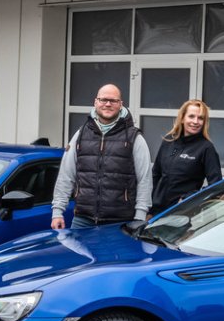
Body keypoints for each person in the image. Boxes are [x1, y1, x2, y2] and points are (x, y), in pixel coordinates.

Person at [51, 84, 152, 229]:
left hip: (120, 222)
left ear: (121, 104)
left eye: (113, 101)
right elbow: (66, 175)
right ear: (95, 102)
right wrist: (57, 212)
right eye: (103, 100)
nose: (108, 104)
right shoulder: (81, 134)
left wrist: (139, 217)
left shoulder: (134, 137)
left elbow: (145, 179)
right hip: (82, 220)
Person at [151, 100, 223, 215]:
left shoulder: (206, 148)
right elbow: (155, 175)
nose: (195, 122)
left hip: (183, 213)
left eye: (200, 118)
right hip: (157, 211)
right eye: (191, 116)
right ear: (182, 118)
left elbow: (217, 186)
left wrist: (190, 198)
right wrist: (149, 208)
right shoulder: (169, 140)